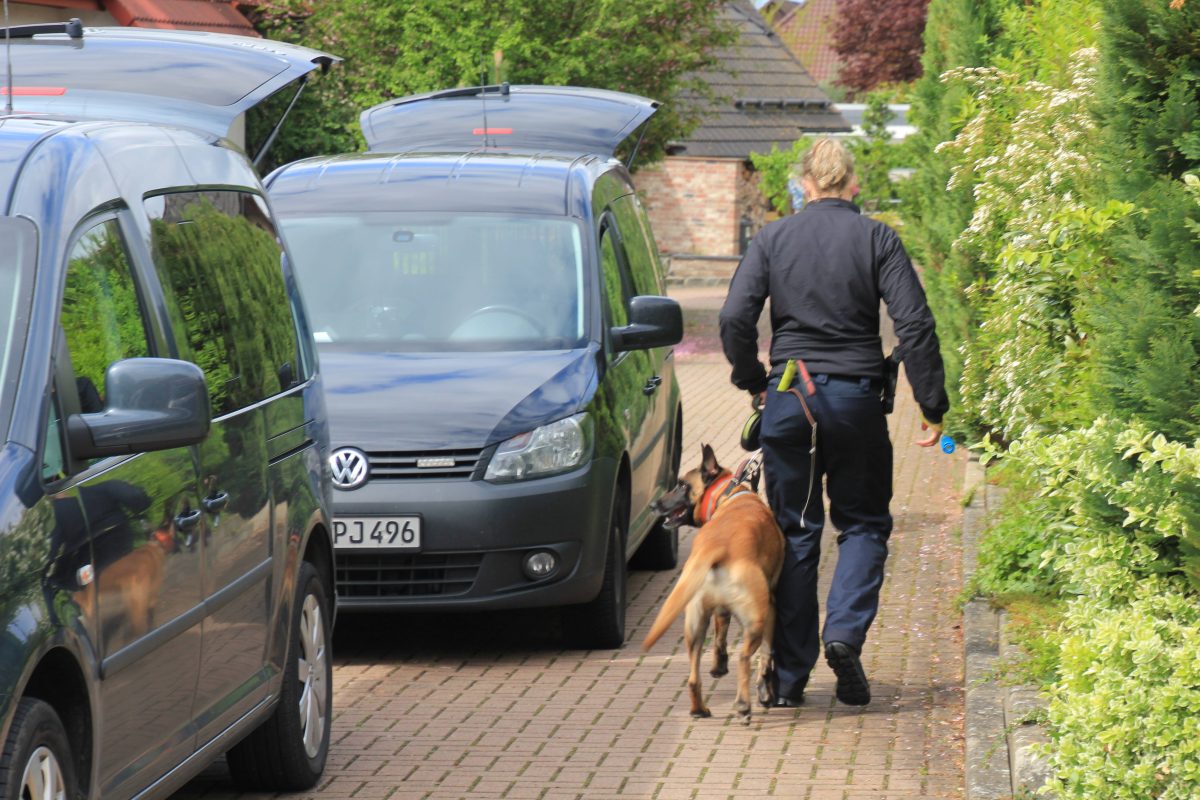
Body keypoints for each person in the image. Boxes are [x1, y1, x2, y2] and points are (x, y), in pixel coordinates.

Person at [718, 138, 949, 707]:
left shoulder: (773, 238)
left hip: (790, 401)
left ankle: (789, 681)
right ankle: (843, 634)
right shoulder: (877, 237)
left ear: (805, 185)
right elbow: (914, 324)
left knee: (797, 533)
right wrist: (933, 402)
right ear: (854, 185)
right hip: (856, 402)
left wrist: (753, 380)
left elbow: (732, 317)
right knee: (864, 524)